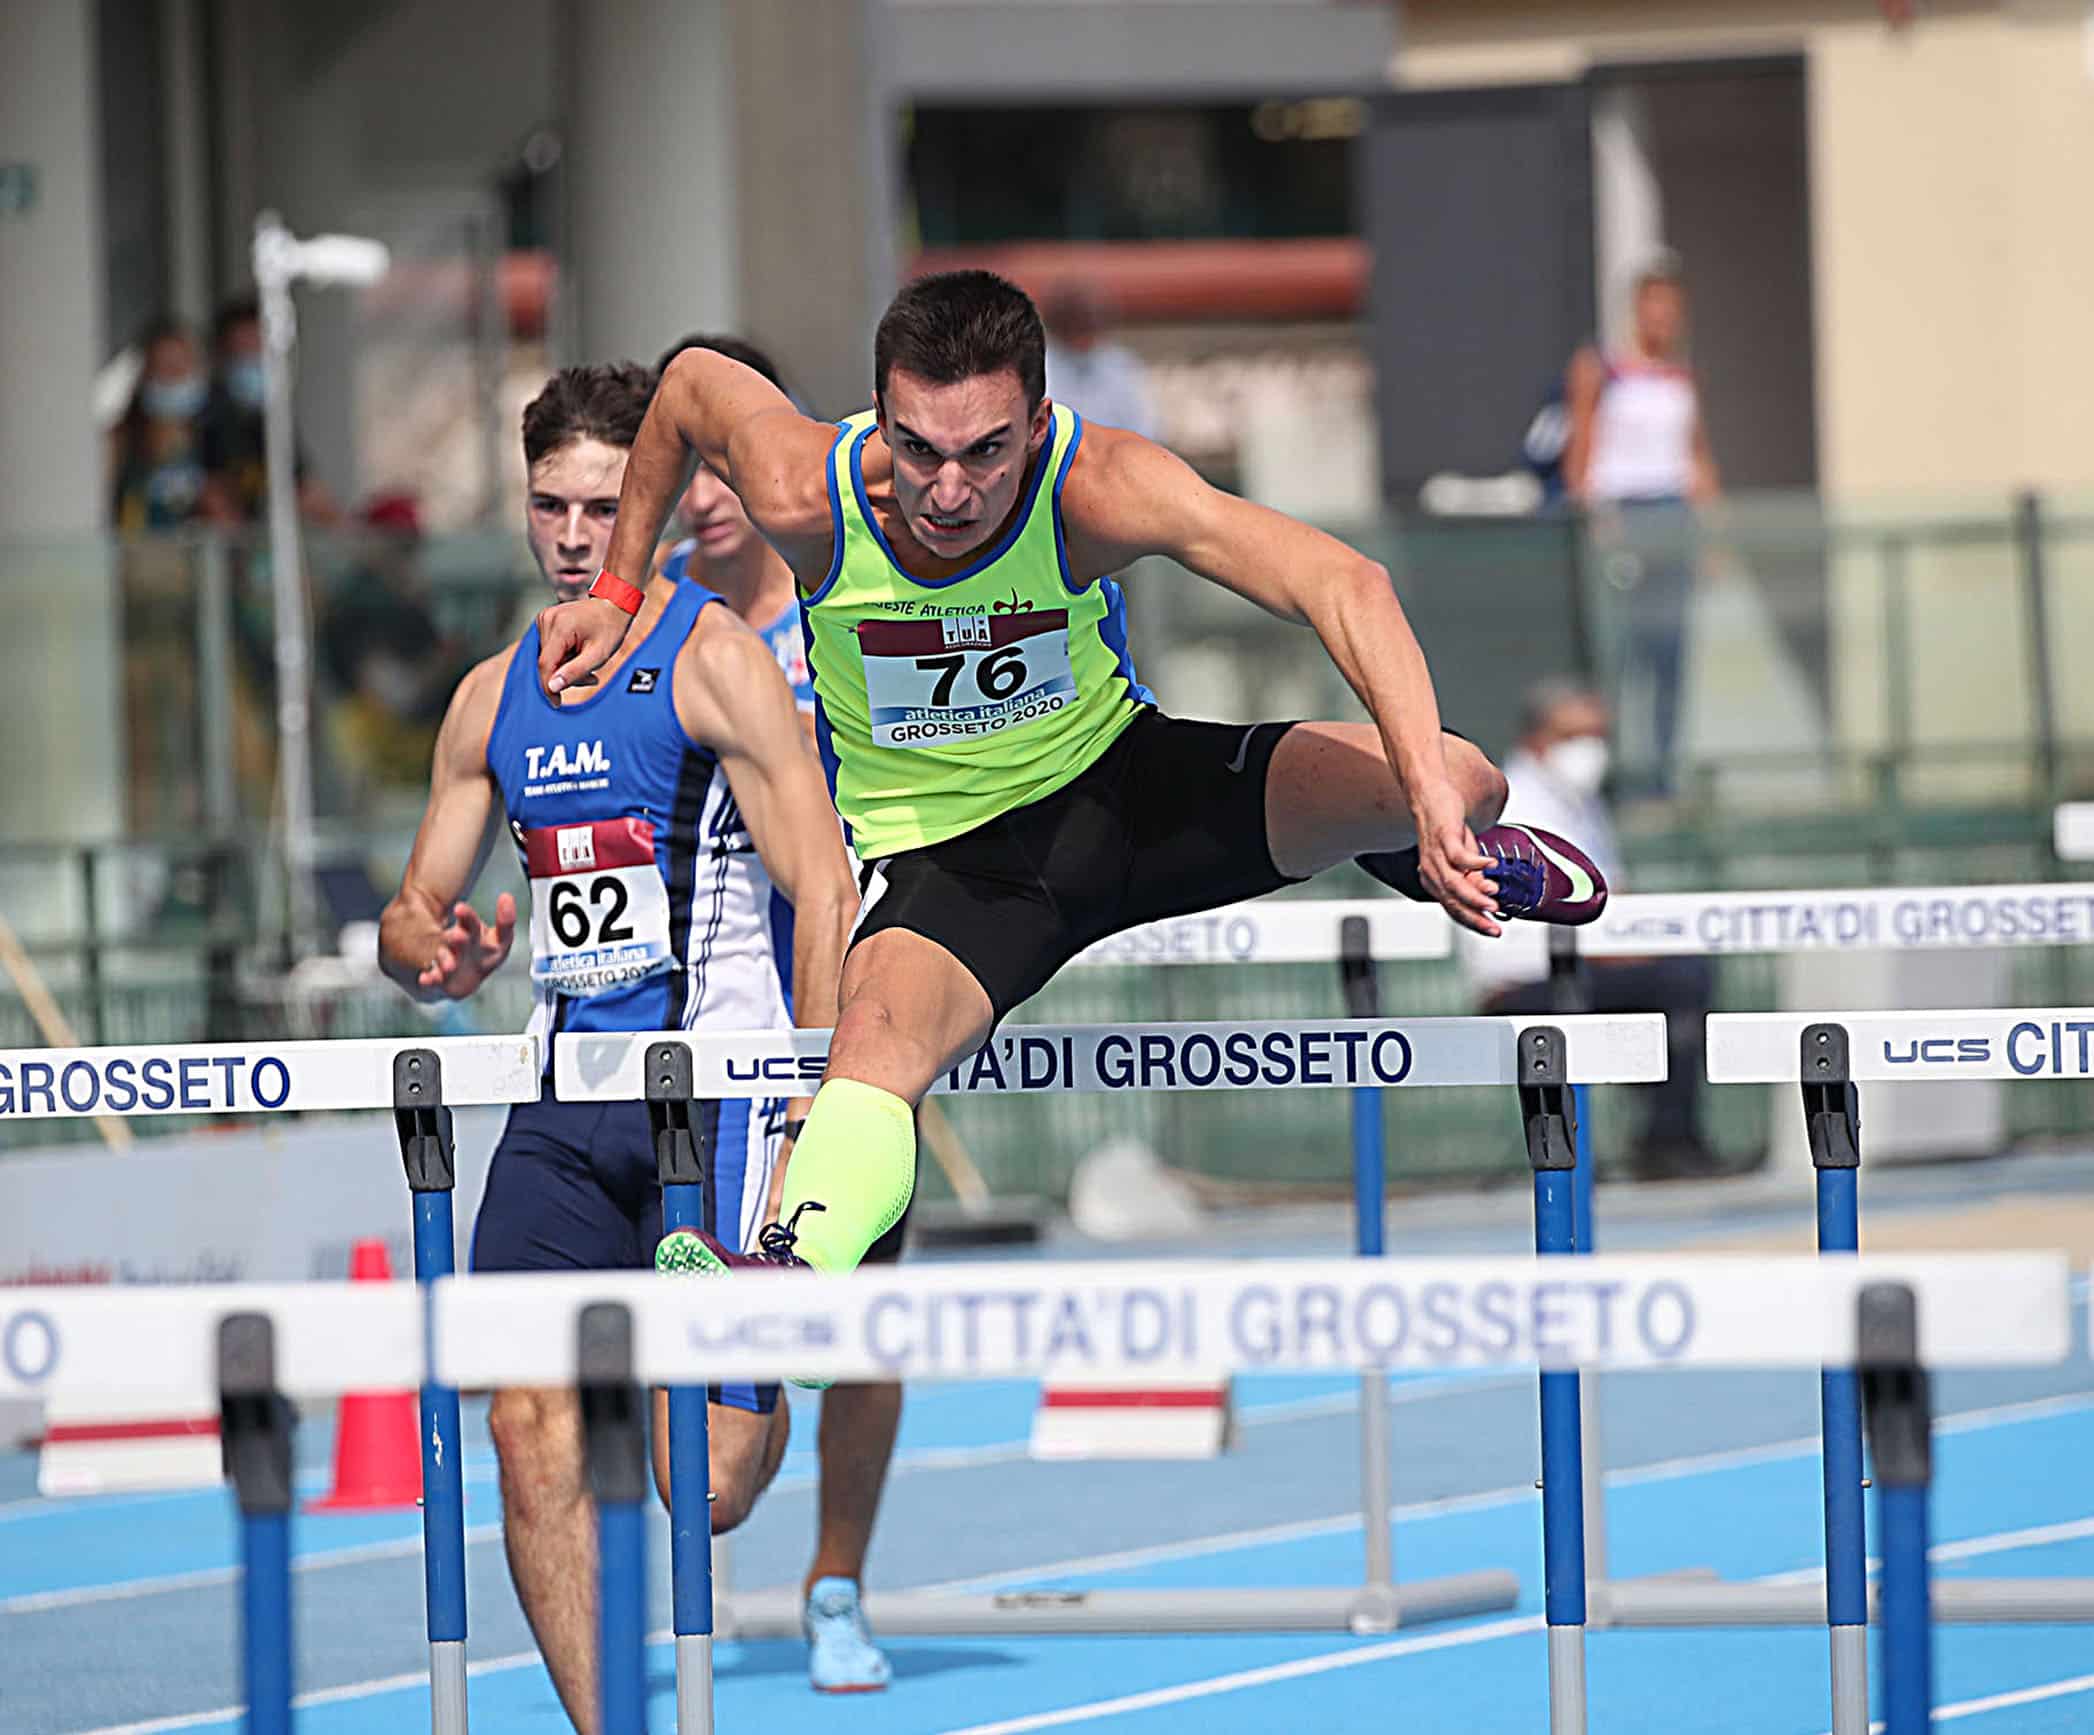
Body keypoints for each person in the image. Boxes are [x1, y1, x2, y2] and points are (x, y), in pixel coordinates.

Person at [535, 268, 1611, 1293]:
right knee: (874, 1039)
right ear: (877, 413)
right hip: (952, 868)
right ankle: (795, 1279)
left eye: (986, 452)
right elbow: (680, 392)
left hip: (1125, 798)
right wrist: (622, 590)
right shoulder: (801, 487)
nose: (949, 489)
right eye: (918, 450)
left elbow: (1346, 584)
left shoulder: (1096, 487)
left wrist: (1425, 800)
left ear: (1040, 425)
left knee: (1464, 773)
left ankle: (1397, 845)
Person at [378, 362, 857, 1732]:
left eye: (604, 502)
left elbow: (818, 885)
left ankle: (763, 1328)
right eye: (552, 506)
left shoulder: (717, 662)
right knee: (524, 1425)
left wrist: (810, 1099)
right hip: (557, 1100)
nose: (581, 534)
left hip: (712, 1097)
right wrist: (434, 951)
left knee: (697, 1482)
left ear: (650, 501)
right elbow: (410, 917)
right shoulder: (489, 697)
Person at [650, 332, 902, 1691]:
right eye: (683, 462)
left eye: (723, 461)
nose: (703, 489)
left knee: (861, 1310)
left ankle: (837, 1585)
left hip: (874, 1013)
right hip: (714, 1041)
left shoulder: (844, 603)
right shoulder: (663, 631)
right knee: (721, 1458)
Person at [1460, 680, 1717, 1180]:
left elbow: (1611, 897)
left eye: (1599, 736)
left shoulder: (1582, 803)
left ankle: (1663, 1138)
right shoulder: (1513, 804)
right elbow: (1521, 925)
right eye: (1576, 736)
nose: (1591, 750)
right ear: (1537, 740)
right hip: (1525, 976)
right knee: (1679, 979)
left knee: (1682, 975)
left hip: (1583, 963)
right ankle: (1662, 1142)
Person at [1562, 252, 1719, 793]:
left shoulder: (1682, 375)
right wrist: (1594, 518)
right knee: (1617, 655)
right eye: (1654, 305)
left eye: (1672, 308)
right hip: (1622, 519)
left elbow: (1696, 457)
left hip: (1671, 517)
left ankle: (1663, 779)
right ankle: (1612, 779)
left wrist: (1711, 535)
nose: (1663, 318)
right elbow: (1580, 450)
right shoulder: (1600, 367)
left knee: (1669, 654)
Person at [197, 294, 341, 525]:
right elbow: (213, 502)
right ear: (220, 357)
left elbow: (310, 494)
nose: (252, 359)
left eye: (259, 349)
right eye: (241, 351)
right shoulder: (205, 421)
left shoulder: (273, 422)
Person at [1041, 281, 1157, 440]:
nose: (1082, 333)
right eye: (1074, 323)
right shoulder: (1039, 367)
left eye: (1088, 323)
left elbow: (1146, 431)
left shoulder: (1122, 366)